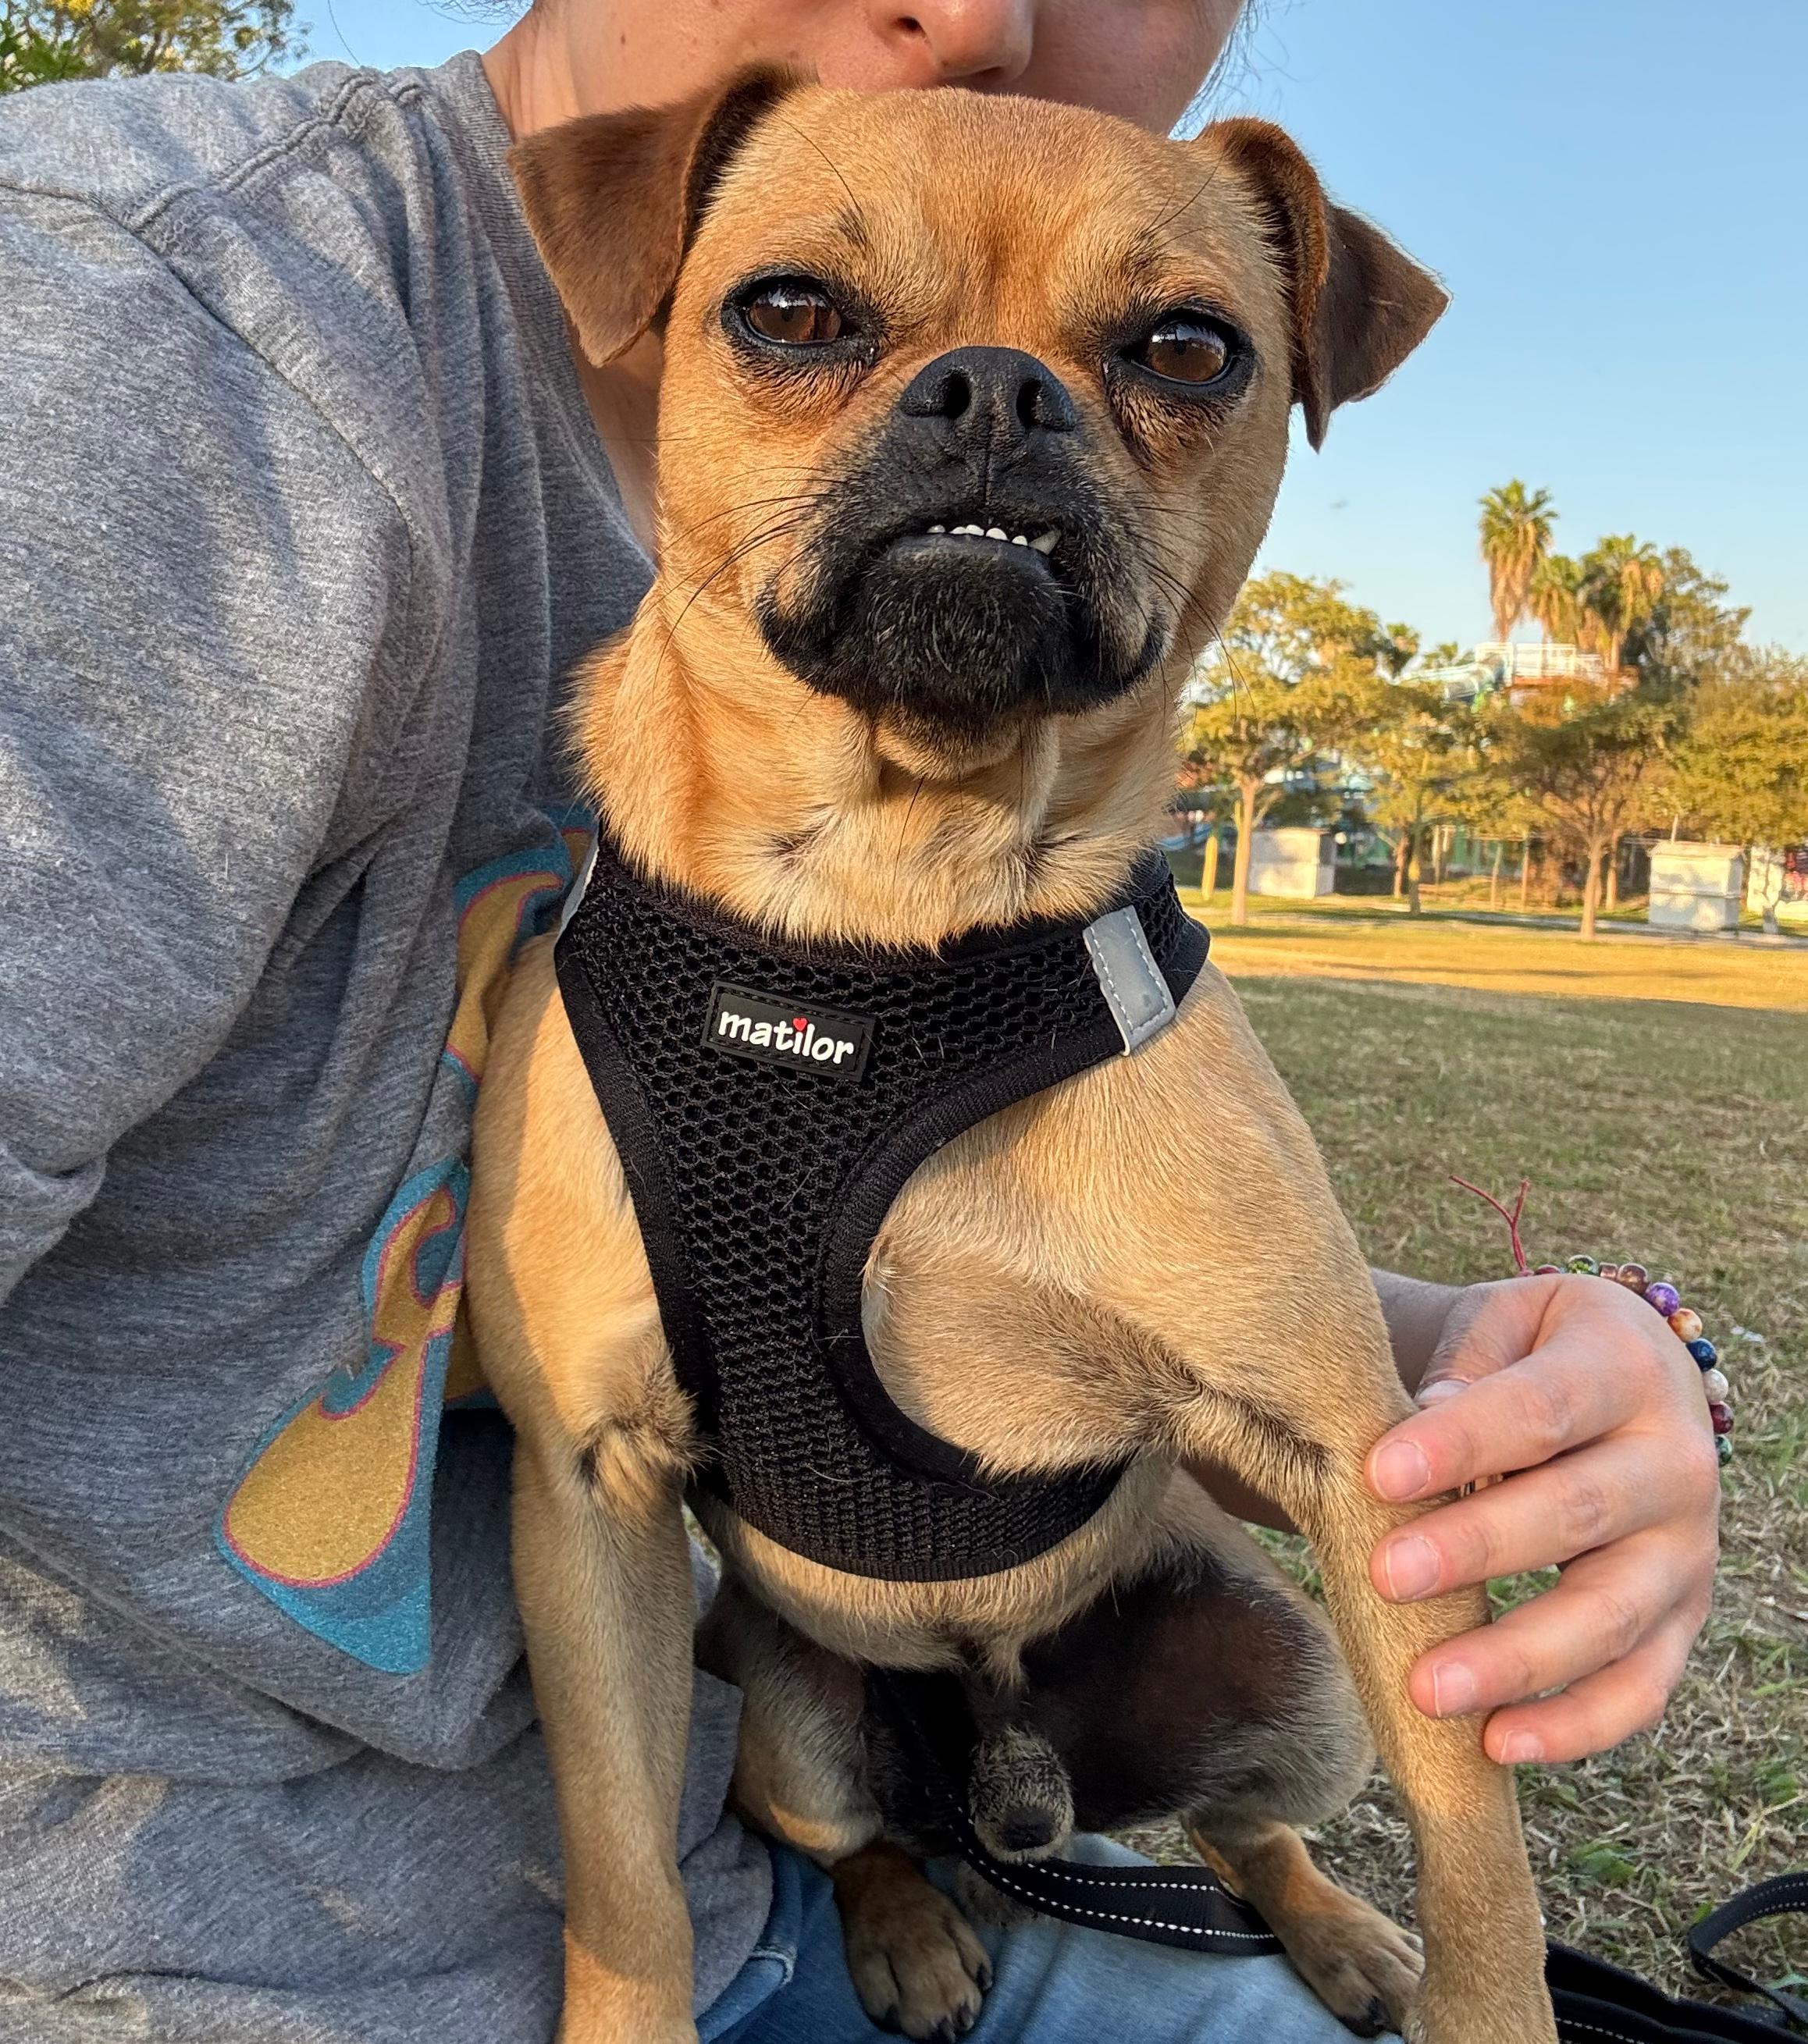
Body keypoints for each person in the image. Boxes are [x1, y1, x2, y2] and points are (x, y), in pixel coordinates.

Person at [0, 3, 1721, 2039]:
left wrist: (1455, 1354)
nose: (980, 13)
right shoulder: (148, 340)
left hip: (806, 1829)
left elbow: (911, 1223)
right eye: (812, 316)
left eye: (1160, 353)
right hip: (222, 1946)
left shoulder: (1049, 878)